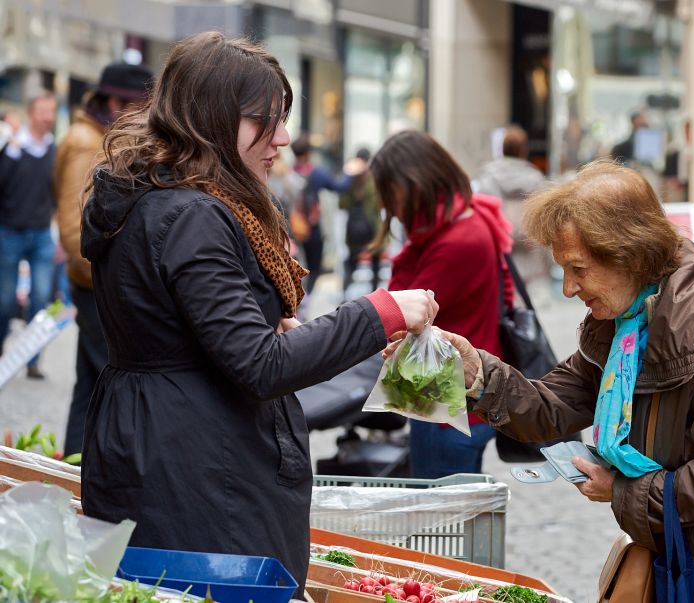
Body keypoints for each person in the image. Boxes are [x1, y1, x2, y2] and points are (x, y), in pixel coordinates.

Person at [78, 32, 437, 597]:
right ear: (211, 120)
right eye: (263, 122)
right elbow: (260, 364)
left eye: (281, 120)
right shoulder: (193, 214)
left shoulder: (159, 198)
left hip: (165, 442)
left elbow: (191, 326)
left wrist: (263, 318)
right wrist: (381, 311)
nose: (282, 138)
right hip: (198, 462)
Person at [407, 159, 694, 601]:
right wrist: (479, 375)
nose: (568, 289)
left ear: (629, 254)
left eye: (578, 269)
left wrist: (624, 491)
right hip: (687, 556)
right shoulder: (624, 321)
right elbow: (554, 405)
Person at [370, 130, 514, 479]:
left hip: (445, 407)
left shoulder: (454, 242)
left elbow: (401, 312)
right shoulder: (470, 220)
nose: (388, 207)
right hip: (462, 401)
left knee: (439, 511)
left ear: (411, 185)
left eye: (389, 193)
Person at [54, 61, 154, 456]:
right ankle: (88, 470)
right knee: (108, 386)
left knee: (90, 387)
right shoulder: (86, 142)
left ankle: (73, 468)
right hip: (96, 286)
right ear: (114, 103)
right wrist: (114, 279)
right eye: (138, 106)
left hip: (94, 284)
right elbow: (74, 229)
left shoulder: (96, 136)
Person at [0, 91, 58, 379]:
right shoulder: (13, 147)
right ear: (30, 112)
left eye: (51, 111)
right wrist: (11, 154)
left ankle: (33, 360)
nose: (48, 117)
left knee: (41, 299)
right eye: (43, 111)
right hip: (10, 231)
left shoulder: (54, 150)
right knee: (5, 300)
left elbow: (58, 192)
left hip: (42, 233)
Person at [474, 126, 548, 281]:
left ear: (502, 149)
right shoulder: (536, 178)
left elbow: (483, 214)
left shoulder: (489, 177)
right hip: (531, 258)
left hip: (500, 256)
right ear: (524, 150)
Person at [290, 136, 361, 297]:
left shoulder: (287, 172)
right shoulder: (317, 173)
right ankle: (306, 298)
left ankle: (298, 296)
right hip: (312, 227)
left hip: (292, 228)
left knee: (296, 263)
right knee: (314, 266)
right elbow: (340, 186)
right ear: (309, 152)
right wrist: (349, 171)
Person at [338, 148, 383, 297]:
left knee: (353, 260)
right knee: (375, 262)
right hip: (372, 225)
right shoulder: (373, 178)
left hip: (355, 226)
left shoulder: (349, 179)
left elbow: (342, 204)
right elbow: (379, 203)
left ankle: (345, 292)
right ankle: (375, 294)